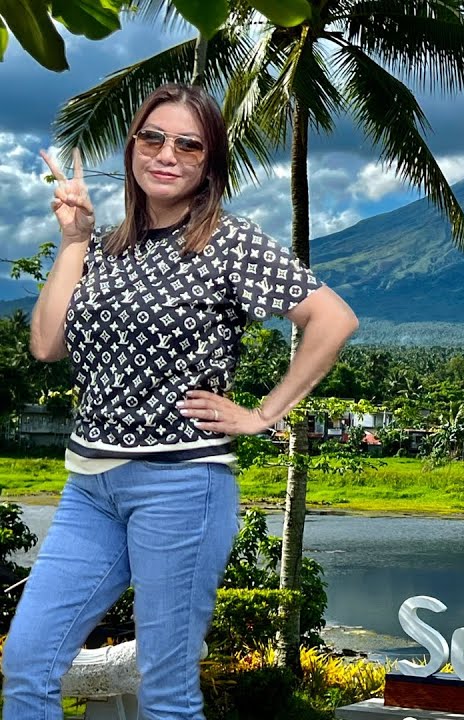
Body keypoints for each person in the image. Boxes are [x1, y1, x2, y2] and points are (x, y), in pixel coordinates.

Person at [2, 83, 359, 719]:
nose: (167, 154)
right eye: (153, 138)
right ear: (133, 146)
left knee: (165, 689)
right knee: (28, 661)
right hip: (91, 487)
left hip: (181, 487)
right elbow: (47, 345)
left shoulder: (228, 241)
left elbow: (331, 319)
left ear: (208, 164)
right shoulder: (107, 246)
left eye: (188, 145)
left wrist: (263, 413)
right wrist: (75, 240)